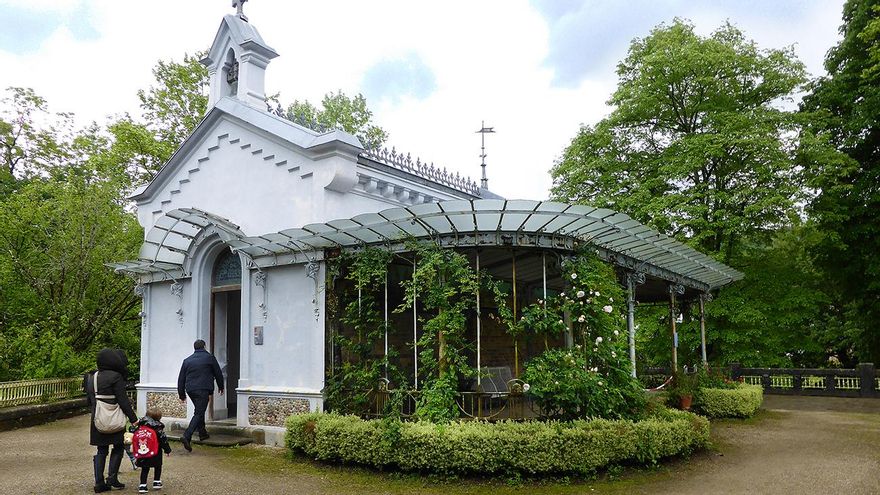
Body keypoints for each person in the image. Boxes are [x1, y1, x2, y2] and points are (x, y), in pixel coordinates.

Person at [84, 349, 139, 493]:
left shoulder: (92, 377)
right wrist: (134, 419)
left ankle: (99, 482)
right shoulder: (116, 377)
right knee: (118, 447)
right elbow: (123, 401)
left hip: (98, 418)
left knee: (101, 449)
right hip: (114, 418)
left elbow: (89, 400)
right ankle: (112, 478)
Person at [177, 339, 224, 452]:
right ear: (204, 346)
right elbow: (218, 373)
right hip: (203, 389)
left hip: (190, 390)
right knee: (198, 412)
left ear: (194, 348)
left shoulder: (187, 361)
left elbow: (181, 379)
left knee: (199, 410)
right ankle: (187, 435)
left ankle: (202, 433)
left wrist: (181, 394)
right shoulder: (210, 358)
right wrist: (221, 386)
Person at [132, 408, 172, 493]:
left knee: (145, 468)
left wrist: (135, 425)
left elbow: (133, 432)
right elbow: (163, 439)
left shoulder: (141, 425)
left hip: (143, 451)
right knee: (158, 466)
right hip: (156, 451)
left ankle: (143, 485)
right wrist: (167, 450)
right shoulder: (158, 427)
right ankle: (156, 482)